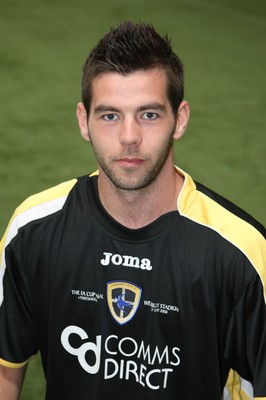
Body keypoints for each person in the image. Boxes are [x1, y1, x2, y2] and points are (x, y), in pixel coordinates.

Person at [0, 21, 265, 400]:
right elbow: (5, 372)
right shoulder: (32, 230)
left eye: (149, 115)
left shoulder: (242, 253)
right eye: (110, 115)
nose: (129, 137)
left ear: (181, 118)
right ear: (83, 121)